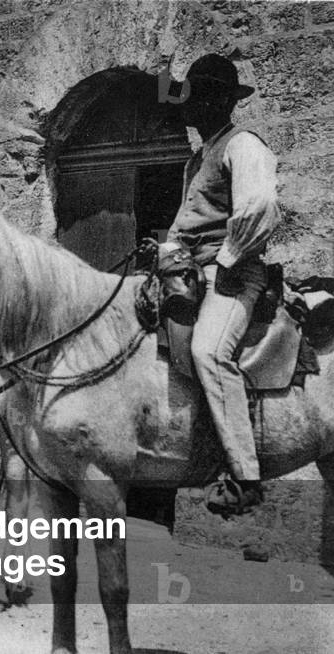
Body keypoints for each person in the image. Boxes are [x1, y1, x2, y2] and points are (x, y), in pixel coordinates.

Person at [166, 54, 280, 515]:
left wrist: (229, 258)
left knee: (208, 353)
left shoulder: (243, 145)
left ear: (219, 102)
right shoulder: (197, 160)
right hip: (194, 272)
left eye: (198, 100)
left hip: (234, 273)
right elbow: (182, 226)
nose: (191, 111)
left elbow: (261, 207)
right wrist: (168, 258)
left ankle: (244, 474)